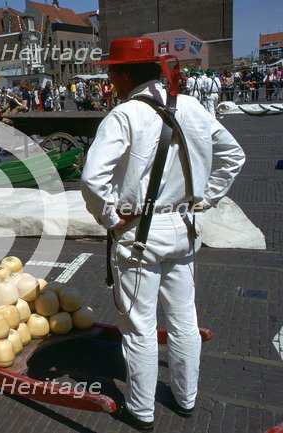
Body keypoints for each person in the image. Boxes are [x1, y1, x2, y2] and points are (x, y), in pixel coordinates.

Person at [81, 37, 245, 431]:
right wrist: (204, 197)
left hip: (139, 232)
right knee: (184, 319)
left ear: (123, 73)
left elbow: (91, 179)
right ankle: (186, 399)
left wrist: (108, 218)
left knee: (140, 327)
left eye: (111, 72)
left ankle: (141, 410)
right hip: (184, 230)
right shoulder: (192, 106)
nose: (110, 80)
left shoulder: (125, 114)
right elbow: (233, 155)